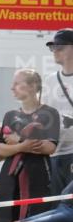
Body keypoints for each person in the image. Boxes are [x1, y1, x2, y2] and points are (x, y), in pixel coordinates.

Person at [0, 70, 60, 222]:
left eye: (17, 84)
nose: (12, 88)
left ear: (32, 86)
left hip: (38, 179)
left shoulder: (50, 113)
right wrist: (23, 146)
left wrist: (19, 140)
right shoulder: (11, 115)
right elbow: (0, 149)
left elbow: (49, 147)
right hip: (11, 178)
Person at [42, 29, 73, 194]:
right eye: (53, 47)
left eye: (60, 47)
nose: (55, 51)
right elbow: (44, 115)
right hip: (54, 153)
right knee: (55, 204)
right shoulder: (50, 79)